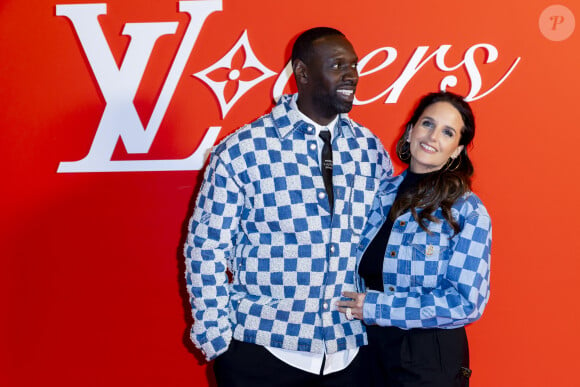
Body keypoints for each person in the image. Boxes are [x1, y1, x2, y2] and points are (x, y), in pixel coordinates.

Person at [184, 27, 392, 386]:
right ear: (303, 73)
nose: (352, 75)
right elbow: (205, 249)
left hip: (350, 356)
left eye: (354, 65)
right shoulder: (242, 150)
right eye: (338, 64)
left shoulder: (369, 149)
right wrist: (217, 340)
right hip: (263, 353)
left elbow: (384, 245)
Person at [337, 91, 492, 386]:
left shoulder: (467, 210)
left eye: (447, 132)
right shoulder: (376, 196)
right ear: (410, 131)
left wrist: (378, 308)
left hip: (428, 360)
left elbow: (467, 302)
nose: (433, 136)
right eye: (427, 124)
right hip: (366, 352)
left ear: (457, 150)